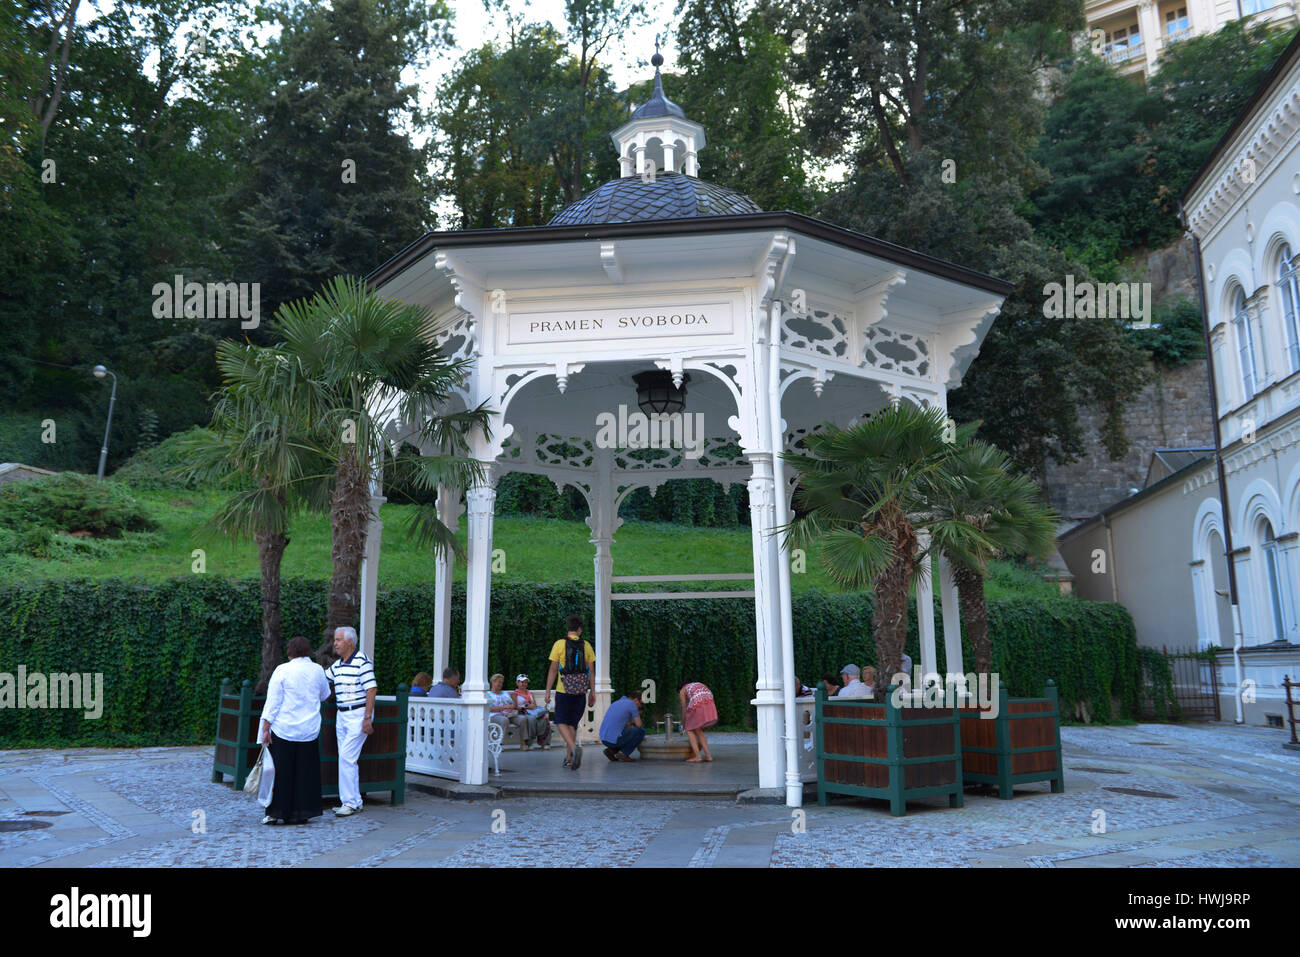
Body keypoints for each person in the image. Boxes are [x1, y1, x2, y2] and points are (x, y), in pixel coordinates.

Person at [259, 636, 331, 825]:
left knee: (281, 773)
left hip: (285, 727)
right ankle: (302, 812)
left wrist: (265, 728)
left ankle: (276, 812)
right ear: (308, 651)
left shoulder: (282, 670)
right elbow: (325, 694)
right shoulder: (317, 670)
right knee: (305, 772)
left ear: (290, 651)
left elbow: (273, 701)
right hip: (309, 729)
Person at [325, 626, 376, 818]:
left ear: (350, 642)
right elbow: (322, 679)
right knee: (347, 759)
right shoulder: (337, 666)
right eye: (335, 639)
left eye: (338, 640)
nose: (335, 643)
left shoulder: (362, 661)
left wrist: (367, 717)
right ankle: (354, 800)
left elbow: (371, 689)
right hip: (342, 715)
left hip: (358, 714)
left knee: (346, 757)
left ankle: (350, 802)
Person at [545, 615, 595, 771]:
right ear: (580, 629)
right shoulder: (586, 645)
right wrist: (592, 692)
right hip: (581, 690)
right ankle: (569, 758)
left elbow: (553, 669)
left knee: (560, 721)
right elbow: (591, 672)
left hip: (564, 689)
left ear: (568, 628)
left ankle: (573, 748)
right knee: (572, 724)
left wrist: (548, 691)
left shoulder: (559, 644)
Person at [487, 673, 533, 747]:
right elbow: (490, 708)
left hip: (509, 715)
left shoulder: (505, 694)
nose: (500, 684)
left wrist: (510, 707)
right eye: (498, 682)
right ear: (493, 682)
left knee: (523, 719)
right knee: (504, 720)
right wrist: (504, 707)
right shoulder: (488, 694)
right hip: (495, 716)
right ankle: (499, 744)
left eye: (501, 682)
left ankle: (523, 743)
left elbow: (513, 705)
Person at [599, 690, 645, 762]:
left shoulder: (616, 702)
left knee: (626, 735)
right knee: (641, 731)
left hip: (603, 739)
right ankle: (624, 753)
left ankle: (611, 751)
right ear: (636, 700)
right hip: (613, 740)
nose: (640, 706)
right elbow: (639, 725)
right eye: (641, 703)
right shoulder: (632, 704)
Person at [678, 680, 717, 762]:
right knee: (697, 729)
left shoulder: (682, 690)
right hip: (709, 701)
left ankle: (698, 756)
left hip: (698, 703)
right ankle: (708, 756)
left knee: (689, 730)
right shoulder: (696, 684)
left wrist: (684, 725)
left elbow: (684, 708)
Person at [512, 674, 550, 749]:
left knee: (544, 719)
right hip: (523, 713)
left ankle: (544, 742)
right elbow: (515, 707)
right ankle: (529, 743)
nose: (524, 684)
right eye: (522, 682)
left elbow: (535, 705)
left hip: (533, 712)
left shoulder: (530, 693)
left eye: (526, 682)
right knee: (531, 720)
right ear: (517, 683)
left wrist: (533, 706)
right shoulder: (514, 694)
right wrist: (526, 707)